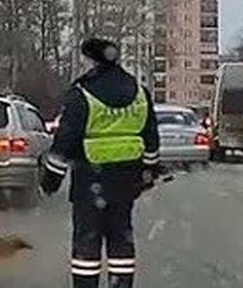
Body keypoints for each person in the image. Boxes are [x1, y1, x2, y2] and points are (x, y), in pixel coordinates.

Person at [40, 37, 161, 288]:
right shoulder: (139, 92)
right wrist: (148, 172)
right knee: (121, 240)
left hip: (89, 179)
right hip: (127, 180)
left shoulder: (82, 93)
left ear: (91, 60)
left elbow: (65, 140)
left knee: (87, 243)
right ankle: (120, 284)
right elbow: (151, 138)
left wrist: (51, 179)